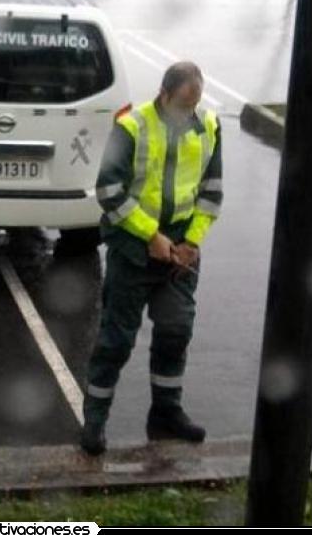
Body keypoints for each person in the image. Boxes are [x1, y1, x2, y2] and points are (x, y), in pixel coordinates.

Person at [81, 61, 223, 454]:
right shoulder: (132, 126)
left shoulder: (208, 126)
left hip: (180, 252)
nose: (188, 111)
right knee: (116, 340)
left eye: (194, 104)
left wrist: (191, 243)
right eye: (182, 103)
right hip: (134, 248)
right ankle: (94, 420)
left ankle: (166, 414)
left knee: (176, 331)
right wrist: (151, 235)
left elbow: (212, 193)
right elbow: (109, 191)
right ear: (163, 94)